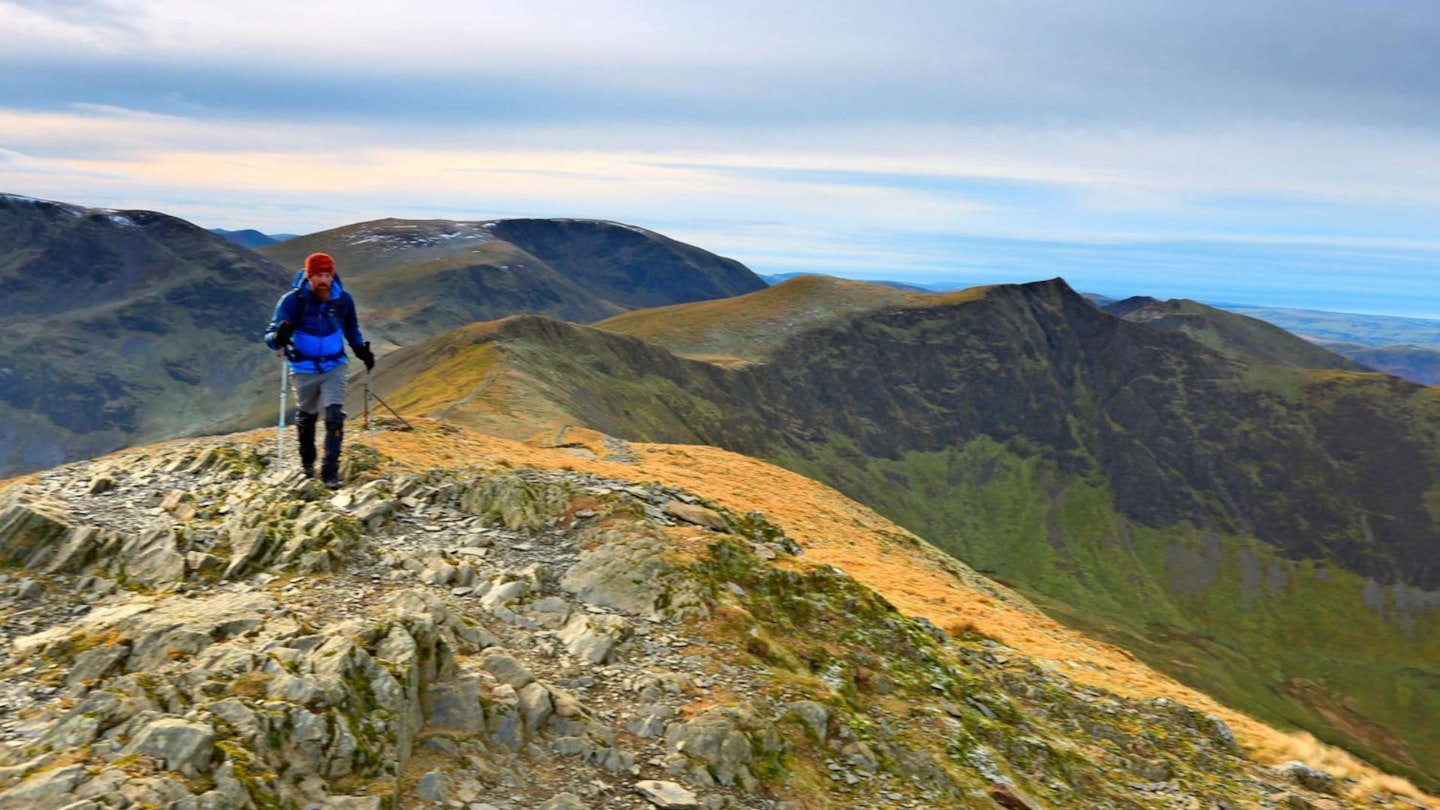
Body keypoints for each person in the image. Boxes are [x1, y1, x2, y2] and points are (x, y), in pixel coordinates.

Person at [264, 252, 375, 487]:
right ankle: (307, 463)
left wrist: (360, 350)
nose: (324, 281)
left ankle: (330, 473)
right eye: (318, 276)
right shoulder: (292, 301)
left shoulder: (343, 300)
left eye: (327, 275)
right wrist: (278, 336)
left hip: (334, 366)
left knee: (335, 416)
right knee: (307, 418)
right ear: (309, 276)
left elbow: (352, 329)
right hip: (303, 368)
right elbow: (271, 336)